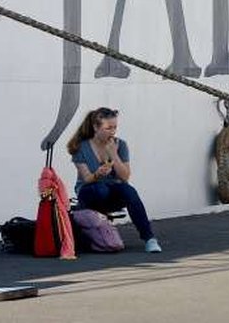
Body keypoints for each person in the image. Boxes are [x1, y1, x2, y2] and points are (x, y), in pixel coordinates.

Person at [67, 107, 162, 253]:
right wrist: (98, 174)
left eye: (115, 127)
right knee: (100, 188)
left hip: (112, 191)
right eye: (108, 128)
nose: (113, 131)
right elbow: (86, 178)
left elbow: (125, 177)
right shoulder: (81, 147)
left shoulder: (120, 145)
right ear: (96, 127)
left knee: (129, 191)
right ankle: (98, 220)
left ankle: (149, 239)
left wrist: (114, 154)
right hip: (89, 192)